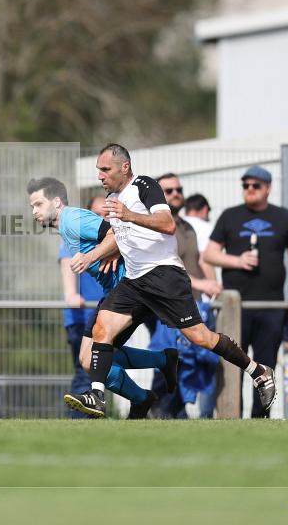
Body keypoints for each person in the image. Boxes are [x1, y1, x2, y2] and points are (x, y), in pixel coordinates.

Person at [65, 144, 276, 418]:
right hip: (135, 280)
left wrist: (128, 214)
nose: (100, 176)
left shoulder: (144, 185)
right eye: (98, 171)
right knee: (102, 328)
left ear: (124, 167)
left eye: (105, 169)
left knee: (200, 337)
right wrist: (90, 256)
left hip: (164, 275)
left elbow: (168, 224)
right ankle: (97, 395)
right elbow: (117, 237)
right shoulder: (115, 198)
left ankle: (258, 371)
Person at [28, 178, 179, 419]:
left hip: (129, 290)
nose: (34, 211)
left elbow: (116, 233)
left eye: (38, 204)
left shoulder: (73, 219)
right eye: (32, 207)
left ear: (56, 202)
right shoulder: (66, 228)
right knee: (88, 360)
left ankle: (126, 394)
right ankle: (157, 371)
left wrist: (101, 253)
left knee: (94, 357)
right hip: (117, 292)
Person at [203, 165, 288, 418]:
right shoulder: (230, 216)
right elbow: (209, 255)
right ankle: (230, 418)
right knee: (231, 365)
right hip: (235, 308)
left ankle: (260, 421)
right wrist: (237, 261)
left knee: (266, 365)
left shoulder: (282, 217)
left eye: (255, 185)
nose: (249, 189)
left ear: (268, 188)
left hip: (271, 307)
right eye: (245, 185)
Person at [149, 173, 222, 417]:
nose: (176, 194)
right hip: (165, 307)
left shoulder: (187, 227)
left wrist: (211, 284)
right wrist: (202, 284)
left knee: (189, 362)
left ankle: (171, 414)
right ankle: (153, 410)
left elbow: (196, 261)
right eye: (168, 191)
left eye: (178, 189)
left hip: (191, 306)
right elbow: (163, 269)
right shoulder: (155, 225)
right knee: (168, 362)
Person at [57, 196, 106, 418]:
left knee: (103, 372)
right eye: (97, 214)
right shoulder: (77, 238)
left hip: (106, 317)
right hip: (82, 317)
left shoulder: (113, 239)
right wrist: (70, 293)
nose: (102, 219)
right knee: (86, 371)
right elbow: (67, 261)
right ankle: (78, 422)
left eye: (106, 214)